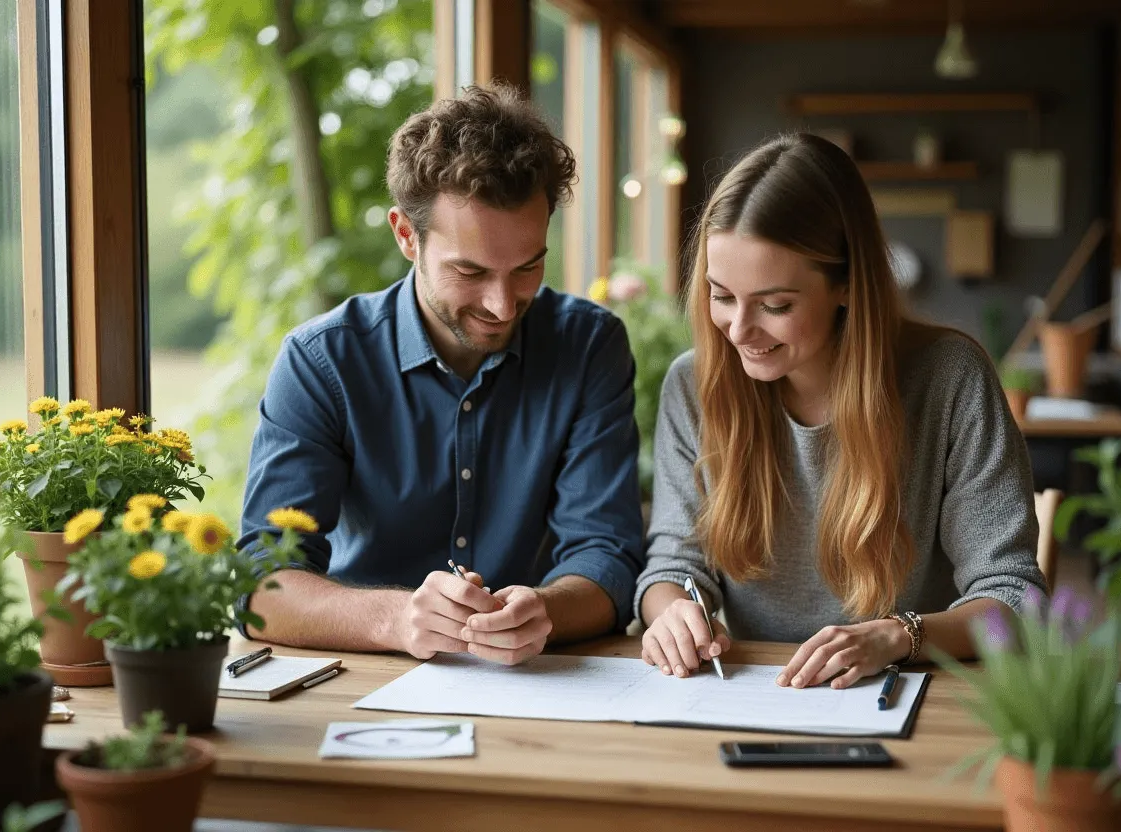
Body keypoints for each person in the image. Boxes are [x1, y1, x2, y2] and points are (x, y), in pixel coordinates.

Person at [237, 84, 645, 664]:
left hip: (541, 677)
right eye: (470, 271)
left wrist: (544, 611)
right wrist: (397, 618)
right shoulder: (322, 362)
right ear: (406, 235)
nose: (503, 304)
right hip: (365, 672)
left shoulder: (589, 347)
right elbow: (262, 582)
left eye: (528, 266)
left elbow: (607, 556)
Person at [636, 133, 1047, 689]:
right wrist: (672, 616)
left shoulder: (950, 379)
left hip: (914, 696)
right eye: (721, 295)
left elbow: (1017, 602)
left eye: (775, 305)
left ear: (848, 285)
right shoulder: (695, 383)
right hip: (761, 694)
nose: (737, 331)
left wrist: (898, 636)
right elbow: (672, 568)